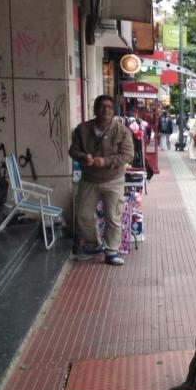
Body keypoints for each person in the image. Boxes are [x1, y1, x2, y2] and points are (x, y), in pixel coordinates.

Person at [68, 94, 135, 266]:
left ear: (113, 111)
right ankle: (93, 246)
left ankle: (111, 251)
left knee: (112, 216)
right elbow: (73, 151)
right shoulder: (82, 129)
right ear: (95, 109)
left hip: (113, 179)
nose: (105, 110)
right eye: (102, 106)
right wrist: (84, 157)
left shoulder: (121, 130)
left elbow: (128, 155)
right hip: (89, 179)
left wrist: (105, 161)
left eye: (109, 107)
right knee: (83, 214)